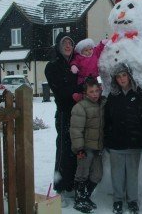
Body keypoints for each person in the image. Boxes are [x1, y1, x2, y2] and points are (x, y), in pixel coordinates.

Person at [104, 62, 142, 214]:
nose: (122, 79)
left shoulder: (139, 93)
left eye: (124, 75)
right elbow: (107, 120)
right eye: (118, 76)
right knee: (116, 175)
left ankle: (132, 201)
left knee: (132, 175)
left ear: (130, 76)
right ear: (115, 80)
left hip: (134, 142)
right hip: (116, 143)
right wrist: (107, 138)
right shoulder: (113, 96)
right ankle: (118, 200)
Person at [45, 32, 83, 207]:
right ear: (59, 46)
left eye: (70, 43)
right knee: (64, 148)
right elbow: (60, 89)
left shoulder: (77, 64)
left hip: (80, 112)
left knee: (77, 149)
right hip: (64, 113)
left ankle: (73, 185)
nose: (68, 46)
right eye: (64, 43)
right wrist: (75, 93)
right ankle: (61, 187)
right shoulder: (52, 66)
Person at [70, 77, 106, 213]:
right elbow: (76, 130)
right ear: (85, 93)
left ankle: (86, 196)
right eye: (91, 92)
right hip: (85, 147)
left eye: (97, 91)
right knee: (82, 173)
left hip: (98, 147)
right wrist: (79, 149)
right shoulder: (80, 107)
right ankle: (79, 199)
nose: (95, 94)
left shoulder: (102, 104)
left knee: (97, 174)